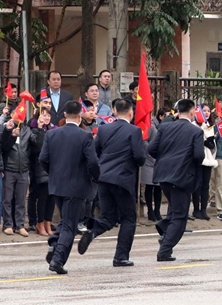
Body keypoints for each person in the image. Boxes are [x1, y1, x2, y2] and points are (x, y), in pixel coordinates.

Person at [77, 99, 146, 267]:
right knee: (129, 218)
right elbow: (139, 157)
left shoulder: (104, 129)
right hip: (123, 179)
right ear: (130, 113)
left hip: (104, 178)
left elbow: (96, 151)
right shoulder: (134, 130)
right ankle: (121, 256)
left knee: (108, 216)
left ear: (114, 112)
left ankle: (92, 232)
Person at [39, 100, 100, 274]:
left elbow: (43, 159)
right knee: (69, 225)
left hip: (57, 184)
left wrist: (54, 173)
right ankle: (58, 260)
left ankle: (54, 246)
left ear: (65, 115)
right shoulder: (85, 135)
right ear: (80, 116)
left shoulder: (52, 134)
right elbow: (93, 162)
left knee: (67, 220)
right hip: (77, 186)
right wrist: (95, 177)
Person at [147, 99, 205, 261]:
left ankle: (164, 229)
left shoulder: (165, 127)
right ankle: (165, 249)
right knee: (180, 216)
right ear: (192, 112)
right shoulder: (196, 132)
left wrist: (165, 160)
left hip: (163, 174)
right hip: (182, 177)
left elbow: (151, 149)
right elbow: (199, 155)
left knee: (174, 210)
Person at [2, 107, 37, 237]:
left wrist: (37, 125)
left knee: (21, 199)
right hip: (9, 168)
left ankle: (20, 225)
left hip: (23, 169)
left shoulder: (27, 130)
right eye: (16, 113)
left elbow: (35, 143)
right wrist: (11, 135)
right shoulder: (6, 129)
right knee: (8, 199)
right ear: (11, 115)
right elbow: (4, 147)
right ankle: (8, 224)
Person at [28, 98, 57, 237]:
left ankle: (47, 222)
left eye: (48, 115)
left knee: (52, 197)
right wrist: (39, 128)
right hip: (39, 168)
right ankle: (39, 223)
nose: (46, 117)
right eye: (43, 115)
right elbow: (38, 146)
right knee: (42, 196)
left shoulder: (53, 129)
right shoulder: (33, 129)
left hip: (53, 167)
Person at [141, 108, 169, 222]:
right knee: (149, 186)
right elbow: (144, 140)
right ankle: (150, 211)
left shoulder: (165, 126)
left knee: (158, 187)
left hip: (160, 159)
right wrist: (151, 151)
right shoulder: (150, 126)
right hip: (150, 160)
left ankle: (157, 210)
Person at [191, 104, 217, 221]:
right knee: (197, 185)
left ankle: (203, 210)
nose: (206, 113)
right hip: (197, 158)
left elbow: (211, 145)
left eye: (207, 111)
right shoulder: (192, 125)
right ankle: (196, 209)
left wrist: (207, 141)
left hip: (208, 158)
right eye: (203, 111)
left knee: (205, 186)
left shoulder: (208, 126)